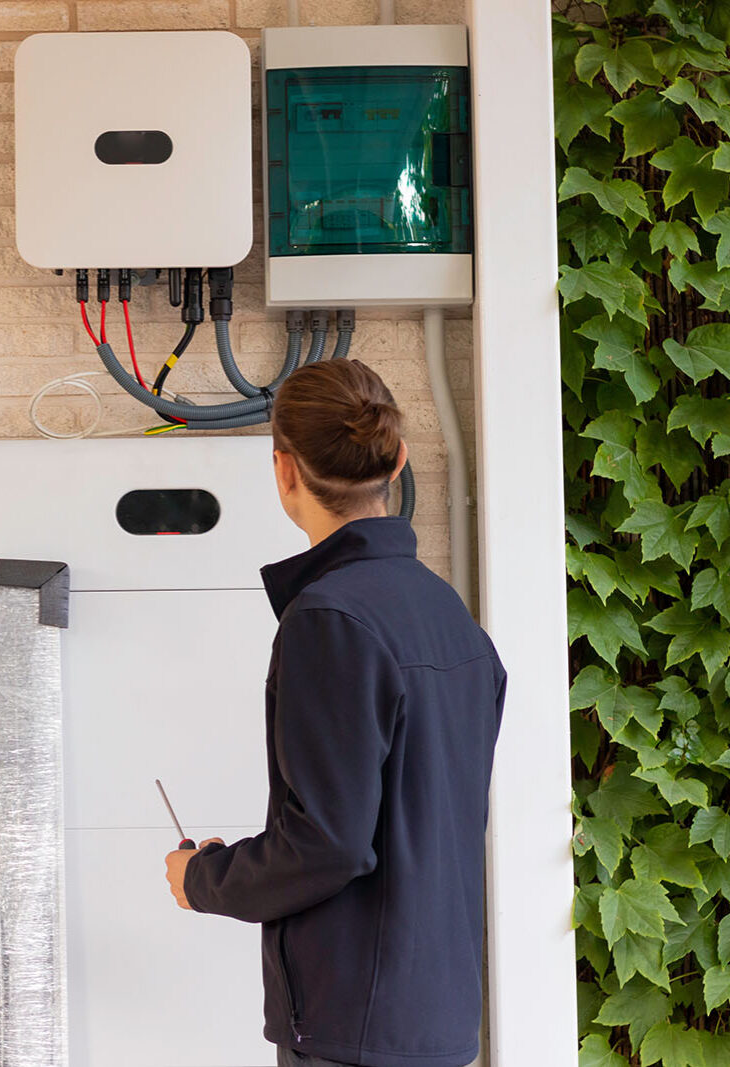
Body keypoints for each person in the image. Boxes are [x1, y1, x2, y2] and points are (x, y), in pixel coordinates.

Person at [162, 359, 504, 1067]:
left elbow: (328, 844)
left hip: (352, 1032)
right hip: (434, 1024)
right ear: (398, 460)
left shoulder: (329, 620)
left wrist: (202, 880)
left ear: (284, 471)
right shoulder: (450, 616)